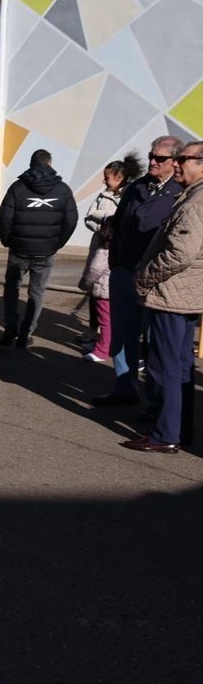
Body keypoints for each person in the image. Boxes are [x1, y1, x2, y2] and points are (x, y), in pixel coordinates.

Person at [92, 137, 183, 407]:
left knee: (154, 342)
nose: (153, 161)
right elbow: (119, 223)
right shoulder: (137, 187)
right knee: (123, 335)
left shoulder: (181, 191)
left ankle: (156, 402)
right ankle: (124, 387)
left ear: (175, 162)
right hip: (124, 272)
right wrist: (116, 261)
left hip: (157, 279)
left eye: (161, 158)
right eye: (151, 156)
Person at [125, 140, 203, 453]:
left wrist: (144, 277)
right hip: (182, 294)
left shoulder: (195, 201)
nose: (177, 164)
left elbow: (180, 253)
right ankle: (178, 430)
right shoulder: (193, 195)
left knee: (169, 367)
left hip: (172, 295)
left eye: (184, 159)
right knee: (181, 367)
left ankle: (166, 435)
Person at [0, 149, 78, 348]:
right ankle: (26, 332)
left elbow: (4, 217)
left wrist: (7, 241)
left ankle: (11, 326)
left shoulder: (17, 187)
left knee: (11, 289)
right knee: (37, 292)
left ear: (31, 164)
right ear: (50, 165)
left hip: (19, 250)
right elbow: (71, 220)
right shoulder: (63, 190)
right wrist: (56, 243)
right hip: (46, 251)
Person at [76, 155, 140, 348]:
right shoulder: (103, 195)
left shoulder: (131, 195)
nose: (104, 181)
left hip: (116, 250)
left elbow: (126, 219)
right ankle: (94, 330)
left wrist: (107, 219)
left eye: (107, 177)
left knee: (111, 296)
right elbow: (88, 217)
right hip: (99, 245)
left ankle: (109, 338)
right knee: (96, 293)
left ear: (120, 178)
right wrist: (105, 224)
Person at [78, 218, 114, 364]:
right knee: (111, 320)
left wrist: (85, 283)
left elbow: (95, 268)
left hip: (103, 289)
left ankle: (102, 350)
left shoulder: (104, 248)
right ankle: (104, 345)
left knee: (105, 320)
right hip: (116, 287)